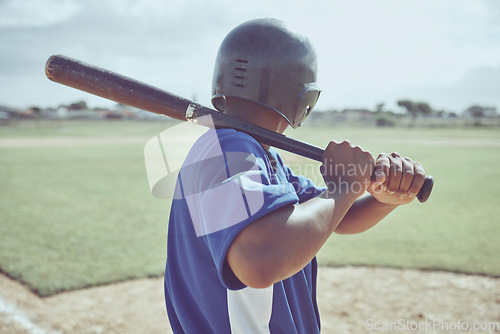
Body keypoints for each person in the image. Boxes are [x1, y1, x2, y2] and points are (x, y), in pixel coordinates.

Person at [163, 18, 426, 333]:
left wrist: (383, 198)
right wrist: (344, 186)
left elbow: (334, 216)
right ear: (303, 98)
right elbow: (260, 260)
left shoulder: (259, 153)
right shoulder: (226, 149)